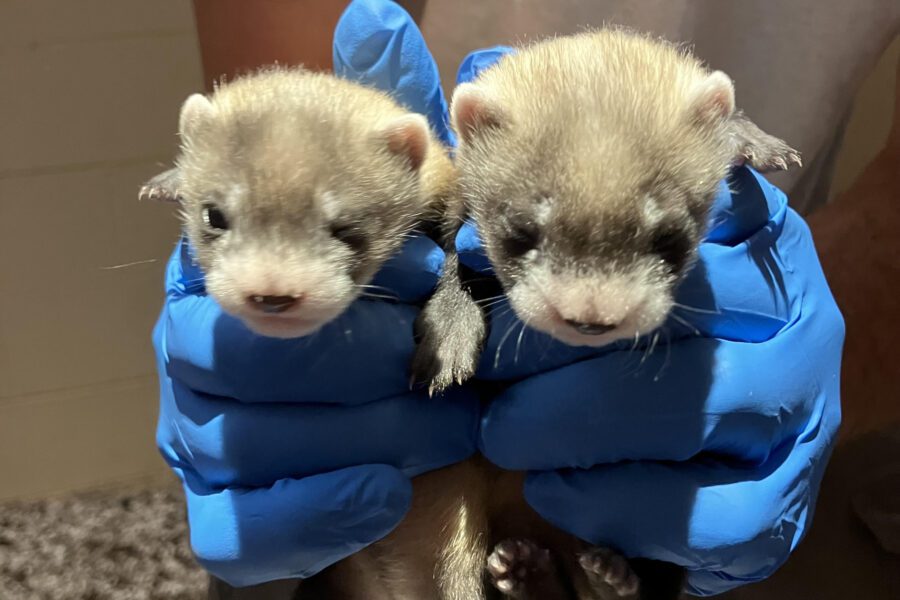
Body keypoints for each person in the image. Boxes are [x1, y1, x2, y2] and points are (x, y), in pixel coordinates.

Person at [155, 0, 844, 596]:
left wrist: (784, 373)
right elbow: (272, 133)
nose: (590, 305)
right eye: (523, 234)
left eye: (660, 238)